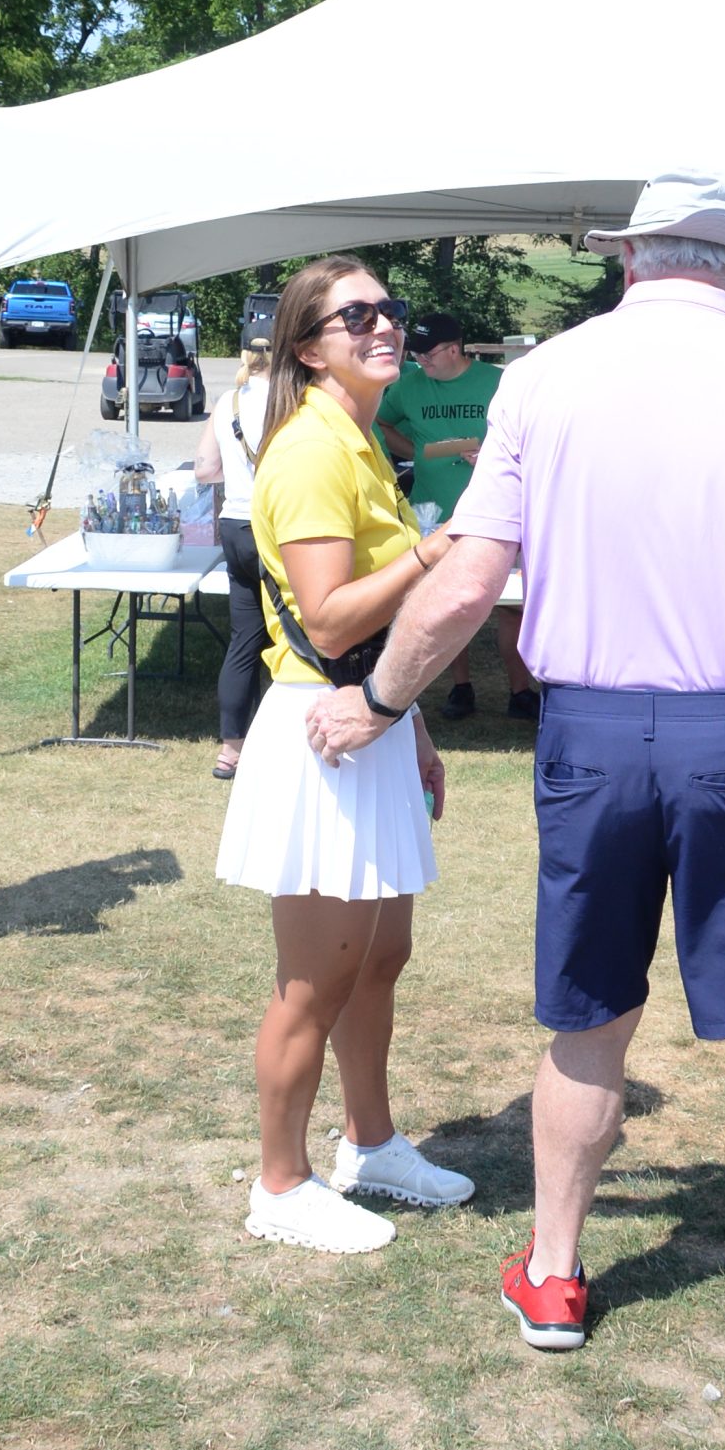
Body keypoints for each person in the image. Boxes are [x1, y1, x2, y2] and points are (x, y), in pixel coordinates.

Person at [307, 172, 725, 1435]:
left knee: (589, 1020)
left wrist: (377, 697)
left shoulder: (545, 378)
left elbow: (466, 581)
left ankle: (553, 1274)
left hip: (591, 734)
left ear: (632, 259)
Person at [216, 255, 475, 1252]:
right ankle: (280, 1185)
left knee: (379, 961)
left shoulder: (357, 438)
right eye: (354, 315)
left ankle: (371, 1144)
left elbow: (385, 632)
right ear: (309, 346)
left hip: (373, 722)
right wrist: (432, 550)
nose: (382, 325)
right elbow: (327, 621)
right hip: (321, 730)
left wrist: (417, 728)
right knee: (314, 982)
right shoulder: (312, 449)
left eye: (387, 309)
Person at [377, 312, 537, 720]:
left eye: (427, 354)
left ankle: (520, 691)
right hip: (434, 512)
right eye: (415, 353)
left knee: (511, 606)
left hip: (498, 512)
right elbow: (381, 421)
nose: (420, 361)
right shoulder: (411, 385)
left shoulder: (497, 382)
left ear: (454, 349)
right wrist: (417, 451)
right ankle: (460, 688)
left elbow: (532, 435)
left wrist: (494, 458)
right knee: (442, 602)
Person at [193, 334, 272, 781]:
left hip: (235, 525)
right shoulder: (294, 398)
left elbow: (205, 469)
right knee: (297, 635)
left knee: (244, 640)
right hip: (276, 526)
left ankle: (230, 750)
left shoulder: (229, 401)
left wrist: (240, 478)